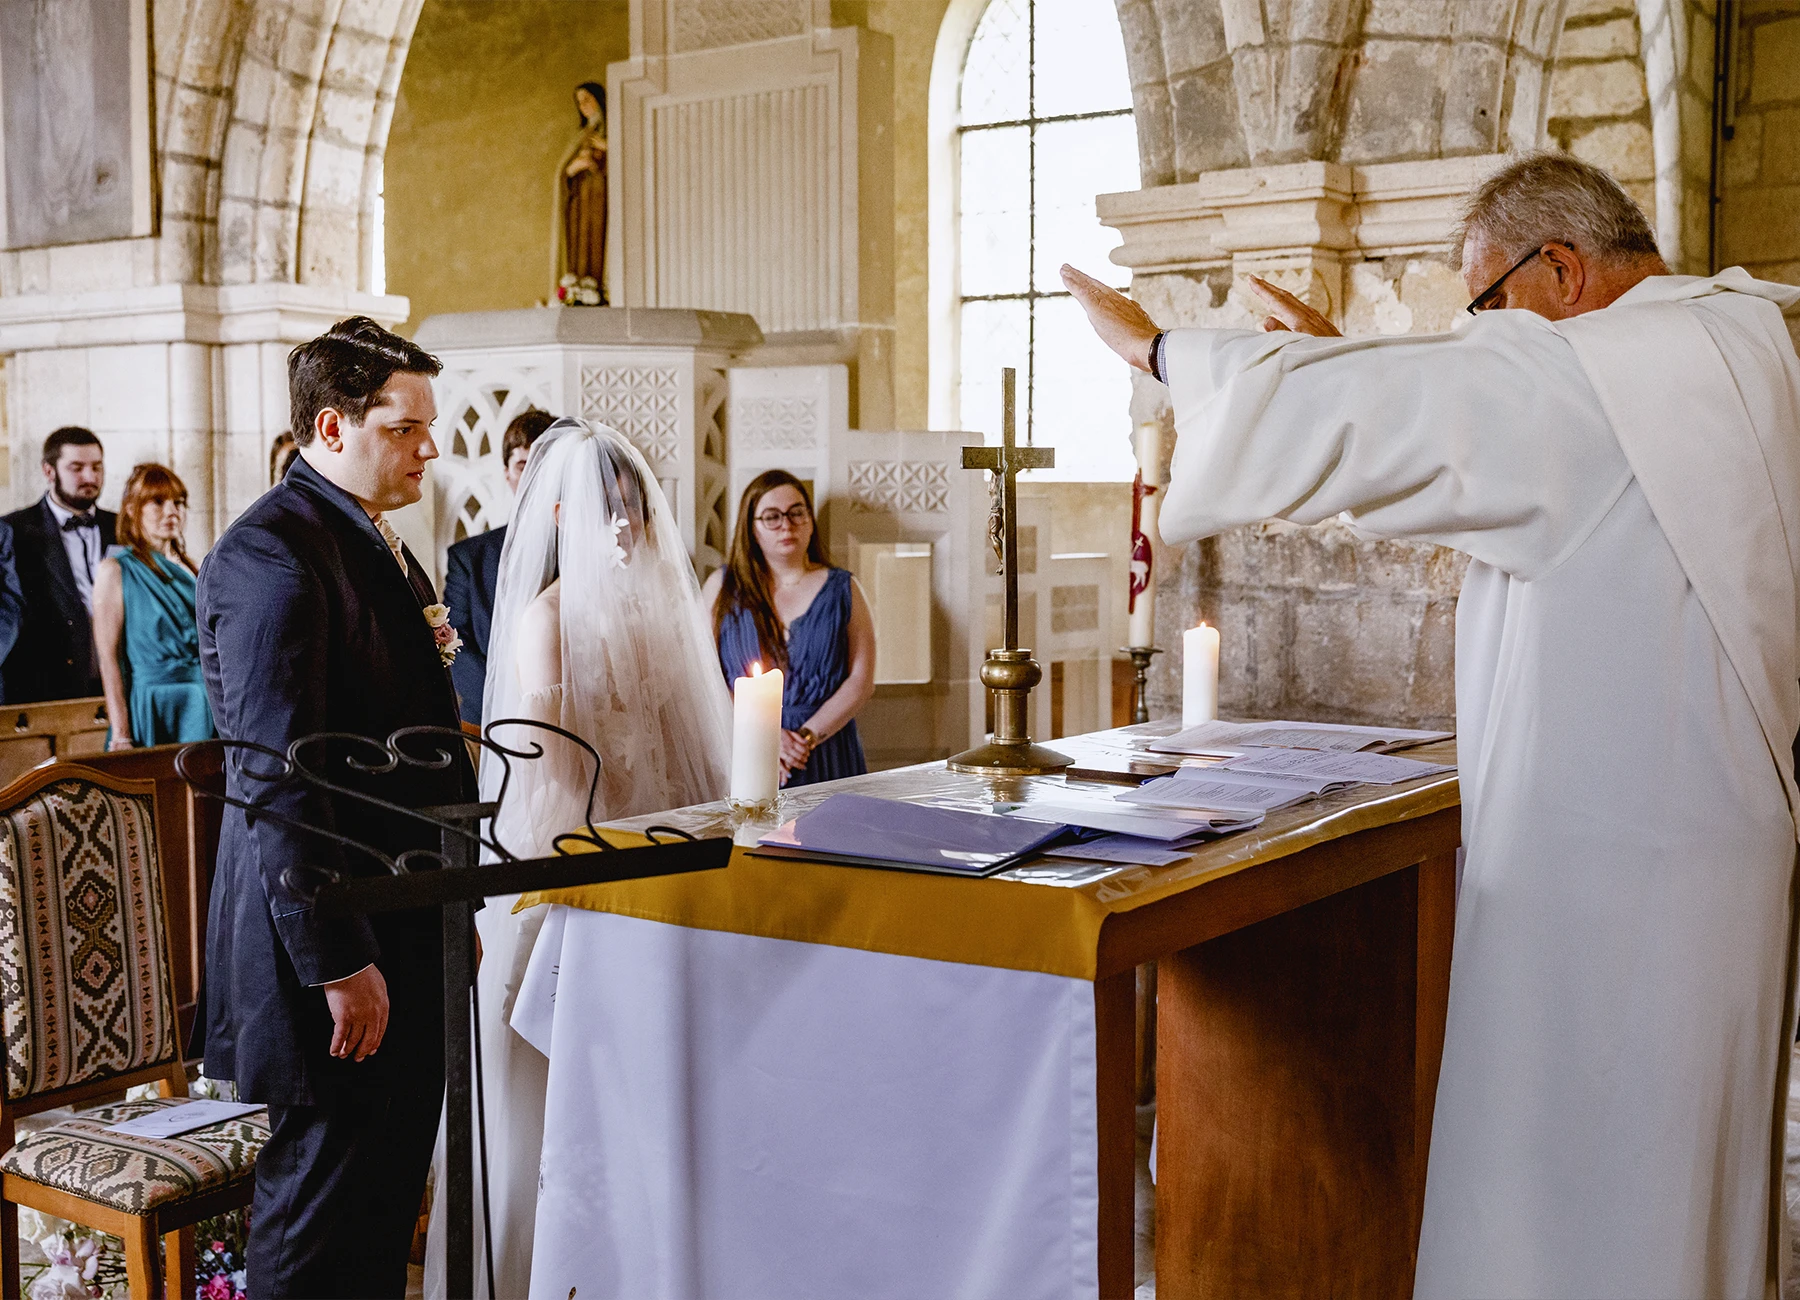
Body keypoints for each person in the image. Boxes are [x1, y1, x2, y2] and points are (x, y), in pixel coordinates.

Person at [1061, 153, 1800, 1297]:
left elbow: (1440, 409)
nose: (1481, 337)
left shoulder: (1608, 372)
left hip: (1608, 883)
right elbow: (1462, 437)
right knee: (1680, 1196)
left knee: (1579, 1189)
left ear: (1560, 270)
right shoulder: (1731, 348)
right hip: (1709, 851)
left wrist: (1165, 355)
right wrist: (1341, 363)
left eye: (1485, 306)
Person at [424, 417, 732, 1299]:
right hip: (567, 866)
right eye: (609, 510)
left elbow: (691, 750)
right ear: (563, 517)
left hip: (659, 863)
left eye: (634, 508)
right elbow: (556, 776)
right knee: (540, 1087)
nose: (625, 526)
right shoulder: (545, 621)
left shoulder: (659, 616)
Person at [198, 316, 473, 1298]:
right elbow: (278, 779)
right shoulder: (271, 555)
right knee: (320, 1219)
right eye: (405, 428)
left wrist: (449, 910)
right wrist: (339, 961)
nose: (428, 449)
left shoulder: (367, 537)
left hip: (403, 919)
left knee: (381, 1205)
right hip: (326, 946)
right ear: (331, 426)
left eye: (427, 427)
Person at [704, 471, 874, 786]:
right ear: (751, 528)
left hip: (825, 749)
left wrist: (805, 739)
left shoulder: (844, 588)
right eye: (772, 517)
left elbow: (861, 681)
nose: (787, 525)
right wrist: (766, 736)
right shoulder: (721, 587)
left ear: (810, 520)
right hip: (743, 745)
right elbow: (703, 674)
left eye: (797, 513)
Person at [443, 408, 558, 724]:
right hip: (486, 723)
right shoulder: (467, 558)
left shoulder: (581, 553)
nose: (532, 476)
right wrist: (510, 706)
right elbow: (455, 642)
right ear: (507, 473)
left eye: (543, 464)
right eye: (522, 465)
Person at [93, 463, 214, 750]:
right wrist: (121, 732)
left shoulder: (194, 568)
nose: (172, 511)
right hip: (152, 702)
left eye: (178, 503)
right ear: (132, 509)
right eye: (158, 502)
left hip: (201, 700)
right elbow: (109, 659)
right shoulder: (116, 570)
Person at [3, 426, 114, 702]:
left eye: (97, 467)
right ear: (49, 471)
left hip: (119, 683)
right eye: (77, 468)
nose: (90, 477)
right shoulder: (14, 531)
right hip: (46, 688)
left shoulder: (123, 526)